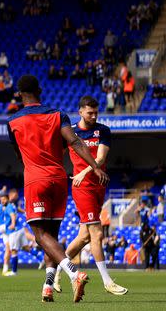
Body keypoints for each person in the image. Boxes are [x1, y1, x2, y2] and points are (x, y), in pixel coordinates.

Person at [7, 75, 108, 303]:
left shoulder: (13, 121)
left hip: (36, 179)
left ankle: (74, 273)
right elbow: (74, 142)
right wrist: (95, 167)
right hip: (60, 179)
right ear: (40, 90)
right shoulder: (58, 115)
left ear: (20, 94)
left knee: (41, 236)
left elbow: (18, 154)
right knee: (52, 236)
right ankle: (48, 287)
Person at [53, 96, 127, 295]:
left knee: (84, 236)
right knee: (97, 233)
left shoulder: (103, 130)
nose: (93, 116)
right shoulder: (70, 133)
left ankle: (57, 269)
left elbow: (101, 158)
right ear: (80, 112)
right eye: (89, 113)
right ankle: (107, 281)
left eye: (96, 113)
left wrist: (85, 171)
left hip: (98, 186)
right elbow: (54, 153)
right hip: (82, 188)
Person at [0, 190, 24, 276]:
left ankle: (6, 269)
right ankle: (8, 269)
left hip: (4, 228)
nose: (2, 201)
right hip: (5, 227)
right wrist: (13, 223)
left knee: (9, 248)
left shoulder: (5, 205)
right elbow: (12, 214)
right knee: (10, 248)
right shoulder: (6, 205)